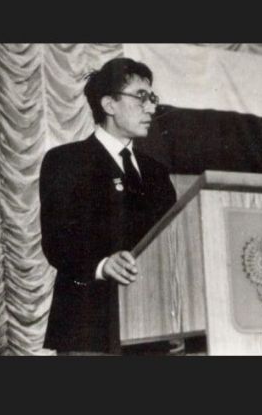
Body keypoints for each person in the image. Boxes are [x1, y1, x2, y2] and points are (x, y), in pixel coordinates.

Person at [39, 57, 177, 355]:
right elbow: (56, 241)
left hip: (152, 329)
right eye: (141, 97)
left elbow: (172, 246)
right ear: (109, 104)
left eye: (152, 98)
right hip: (87, 328)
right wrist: (102, 265)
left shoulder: (157, 172)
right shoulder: (65, 161)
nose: (151, 108)